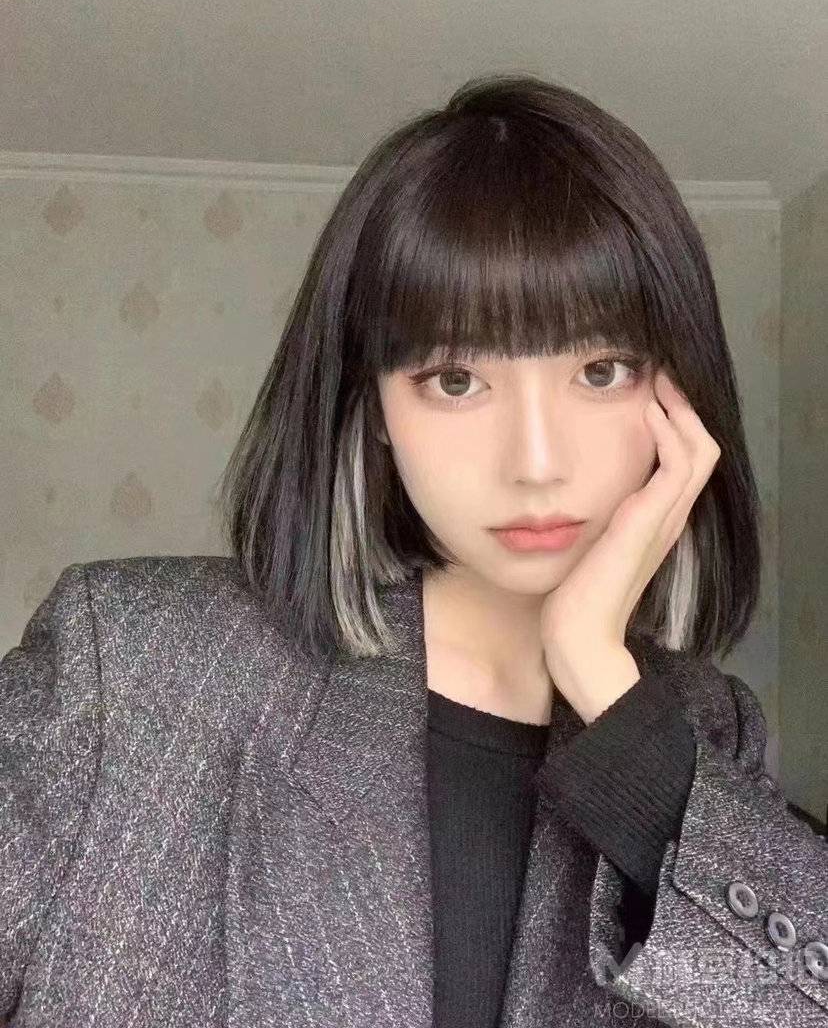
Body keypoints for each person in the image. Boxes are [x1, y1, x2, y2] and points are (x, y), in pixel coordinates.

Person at [1, 73, 826, 1028]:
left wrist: (604, 681)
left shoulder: (701, 731)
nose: (537, 464)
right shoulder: (134, 665)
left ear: (681, 399)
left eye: (601, 370)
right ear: (374, 411)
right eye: (456, 380)